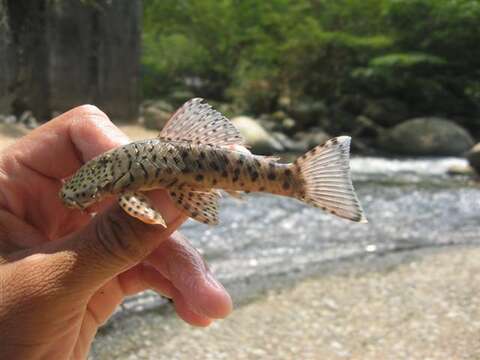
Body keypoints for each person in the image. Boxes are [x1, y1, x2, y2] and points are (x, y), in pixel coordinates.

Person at [0, 105, 233, 359]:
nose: (79, 203)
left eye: (86, 196)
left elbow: (144, 217)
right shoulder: (112, 174)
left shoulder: (122, 190)